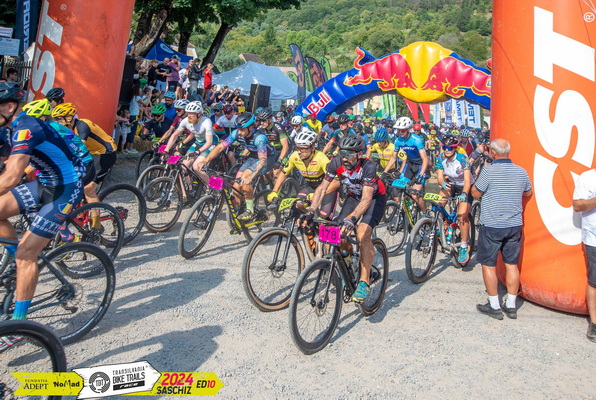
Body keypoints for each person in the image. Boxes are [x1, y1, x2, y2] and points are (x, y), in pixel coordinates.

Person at [0, 82, 84, 321]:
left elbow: (12, 176)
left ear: (9, 107)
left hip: (65, 189)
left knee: (26, 254)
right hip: (43, 184)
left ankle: (19, 324)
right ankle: (15, 262)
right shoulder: (7, 127)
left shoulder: (28, 128)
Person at [305, 134, 387, 302]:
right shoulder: (336, 163)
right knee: (337, 233)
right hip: (353, 197)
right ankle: (348, 265)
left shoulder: (368, 166)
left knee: (362, 234)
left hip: (374, 199)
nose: (344, 158)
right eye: (342, 153)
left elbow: (366, 199)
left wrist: (353, 218)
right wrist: (311, 210)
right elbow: (322, 188)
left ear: (359, 154)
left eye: (349, 155)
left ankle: (364, 282)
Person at [472, 138, 532, 320]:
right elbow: (528, 192)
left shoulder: (488, 171)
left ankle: (494, 305)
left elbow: (476, 193)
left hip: (492, 224)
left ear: (493, 153)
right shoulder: (521, 171)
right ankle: (511, 305)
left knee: (488, 265)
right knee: (511, 264)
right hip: (514, 224)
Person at [197, 112, 276, 221]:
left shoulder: (259, 138)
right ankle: (239, 209)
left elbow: (263, 161)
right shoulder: (236, 133)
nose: (239, 132)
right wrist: (205, 161)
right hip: (253, 156)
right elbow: (220, 147)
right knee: (236, 185)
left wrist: (251, 177)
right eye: (238, 129)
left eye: (242, 129)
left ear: (250, 127)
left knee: (245, 179)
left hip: (267, 158)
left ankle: (250, 211)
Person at [51, 103, 117, 208]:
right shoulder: (66, 129)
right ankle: (81, 208)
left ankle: (96, 218)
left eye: (58, 119)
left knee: (88, 189)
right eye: (55, 119)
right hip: (91, 154)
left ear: (68, 118)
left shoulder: (83, 125)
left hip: (105, 154)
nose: (56, 122)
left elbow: (81, 146)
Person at [267, 129, 338, 220]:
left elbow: (336, 182)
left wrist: (317, 194)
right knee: (298, 206)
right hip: (311, 186)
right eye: (297, 148)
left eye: (303, 148)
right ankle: (309, 220)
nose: (299, 151)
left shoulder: (321, 158)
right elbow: (284, 173)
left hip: (327, 189)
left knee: (324, 219)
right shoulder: (295, 156)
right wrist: (274, 191)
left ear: (312, 147)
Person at [435, 134, 474, 264]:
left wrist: (464, 193)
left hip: (465, 186)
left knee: (462, 216)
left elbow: (467, 181)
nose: (447, 150)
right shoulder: (440, 158)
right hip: (451, 183)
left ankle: (464, 245)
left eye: (450, 148)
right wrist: (443, 183)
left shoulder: (463, 159)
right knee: (438, 205)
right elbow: (439, 177)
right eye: (444, 147)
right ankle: (445, 226)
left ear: (455, 148)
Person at [381, 116, 429, 214]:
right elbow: (394, 158)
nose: (400, 132)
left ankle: (425, 214)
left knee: (415, 194)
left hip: (420, 166)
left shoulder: (416, 139)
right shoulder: (398, 140)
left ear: (408, 129)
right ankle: (406, 210)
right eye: (398, 130)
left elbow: (425, 159)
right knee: (398, 186)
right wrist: (385, 172)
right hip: (409, 164)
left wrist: (421, 175)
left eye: (403, 130)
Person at [572, 168, 596, 342]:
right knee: (594, 282)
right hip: (593, 238)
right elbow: (577, 205)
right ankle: (594, 323)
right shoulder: (588, 177)